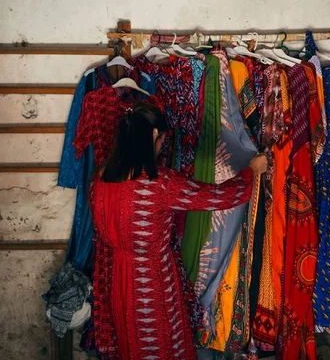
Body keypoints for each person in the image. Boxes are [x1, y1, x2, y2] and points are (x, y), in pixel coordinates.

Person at [89, 103, 268, 360]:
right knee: (162, 346)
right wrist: (252, 170)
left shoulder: (99, 179)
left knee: (130, 348)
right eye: (162, 139)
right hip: (153, 282)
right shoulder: (160, 184)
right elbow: (221, 197)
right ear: (153, 135)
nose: (162, 146)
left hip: (117, 282)